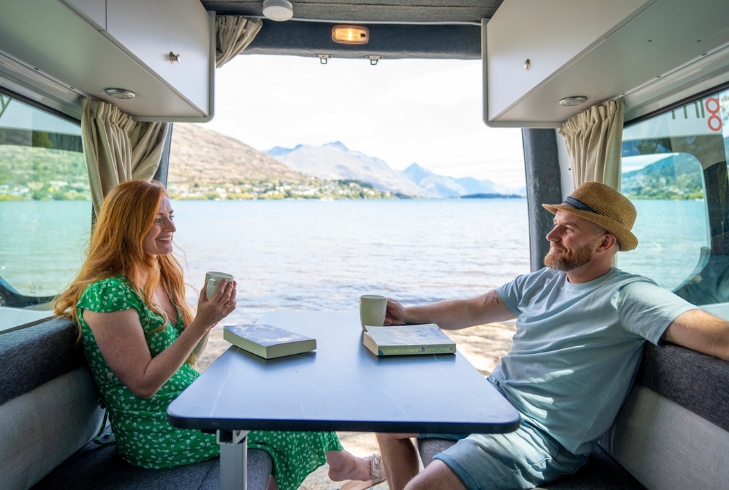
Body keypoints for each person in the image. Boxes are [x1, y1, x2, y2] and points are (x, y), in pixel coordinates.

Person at [375, 181, 729, 490]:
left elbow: (718, 338)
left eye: (568, 228)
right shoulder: (543, 281)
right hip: (491, 400)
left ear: (605, 242)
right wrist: (407, 314)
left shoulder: (630, 296)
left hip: (540, 435)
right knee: (386, 419)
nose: (551, 235)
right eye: (556, 223)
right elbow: (473, 309)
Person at [54, 179, 382, 490]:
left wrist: (210, 318)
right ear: (127, 226)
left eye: (171, 216)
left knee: (289, 397)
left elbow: (189, 359)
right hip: (158, 429)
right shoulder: (109, 294)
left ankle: (342, 464)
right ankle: (346, 466)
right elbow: (143, 383)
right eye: (157, 220)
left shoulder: (158, 275)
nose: (171, 228)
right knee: (283, 424)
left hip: (195, 402)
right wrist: (200, 323)